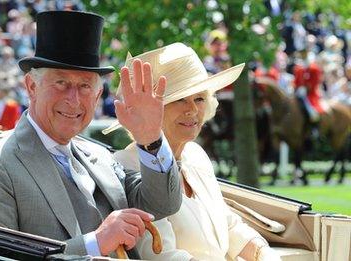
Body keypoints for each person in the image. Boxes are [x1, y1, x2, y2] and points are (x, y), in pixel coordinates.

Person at [0, 11, 181, 258]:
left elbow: (163, 204)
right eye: (61, 83)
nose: (73, 100)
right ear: (32, 87)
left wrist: (150, 138)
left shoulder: (99, 155)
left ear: (98, 96)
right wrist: (95, 243)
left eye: (84, 86)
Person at [108, 43, 280, 261]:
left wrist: (262, 253)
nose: (192, 110)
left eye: (199, 99)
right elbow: (161, 255)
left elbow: (227, 224)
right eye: (179, 99)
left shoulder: (195, 155)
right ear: (150, 110)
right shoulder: (126, 165)